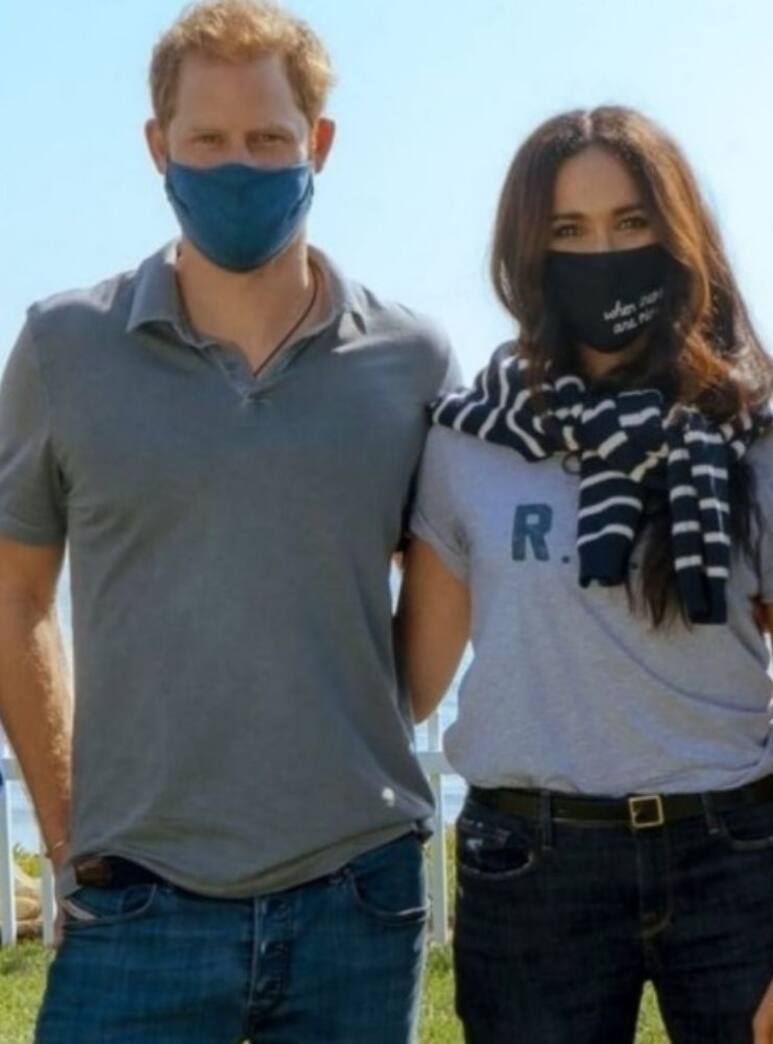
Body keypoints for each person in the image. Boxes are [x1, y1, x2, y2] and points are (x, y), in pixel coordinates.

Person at [0, 2, 459, 1040]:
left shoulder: (413, 363)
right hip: (132, 896)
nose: (237, 166)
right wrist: (69, 839)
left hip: (358, 891)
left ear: (319, 145)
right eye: (206, 139)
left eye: (267, 139)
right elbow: (16, 591)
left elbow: (438, 603)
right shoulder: (62, 346)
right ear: (157, 146)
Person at [398, 106, 773, 1044]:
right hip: (530, 867)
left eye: (631, 222)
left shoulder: (764, 432)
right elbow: (406, 686)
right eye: (568, 232)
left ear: (680, 233)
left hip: (733, 857)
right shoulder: (469, 439)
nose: (602, 253)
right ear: (527, 253)